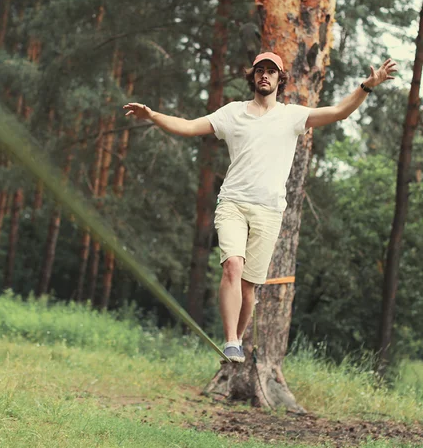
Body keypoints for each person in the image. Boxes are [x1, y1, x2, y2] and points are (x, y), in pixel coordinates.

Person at [124, 51, 397, 363]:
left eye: (271, 71)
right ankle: (229, 340)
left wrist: (367, 85)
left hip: (269, 210)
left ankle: (237, 339)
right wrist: (153, 116)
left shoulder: (292, 116)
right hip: (233, 204)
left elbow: (338, 112)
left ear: (280, 79)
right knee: (232, 266)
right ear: (252, 77)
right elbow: (187, 126)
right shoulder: (231, 114)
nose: (264, 76)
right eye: (259, 71)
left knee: (249, 286)